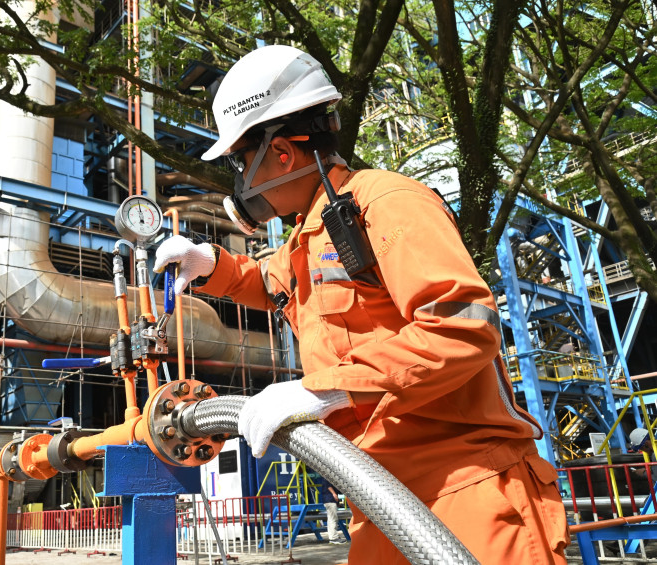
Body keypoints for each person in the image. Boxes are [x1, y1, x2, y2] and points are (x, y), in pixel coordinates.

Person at [154, 44, 569, 564]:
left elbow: (464, 326)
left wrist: (327, 390)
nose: (241, 181)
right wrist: (209, 264)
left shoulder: (388, 203)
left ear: (281, 154)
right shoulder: (310, 232)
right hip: (379, 498)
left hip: (466, 492)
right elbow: (269, 281)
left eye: (241, 161)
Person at [318, 475, 345, 544]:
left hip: (330, 501)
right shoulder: (327, 476)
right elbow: (328, 486)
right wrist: (334, 494)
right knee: (333, 519)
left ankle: (333, 536)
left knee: (331, 519)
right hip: (330, 500)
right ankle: (333, 538)